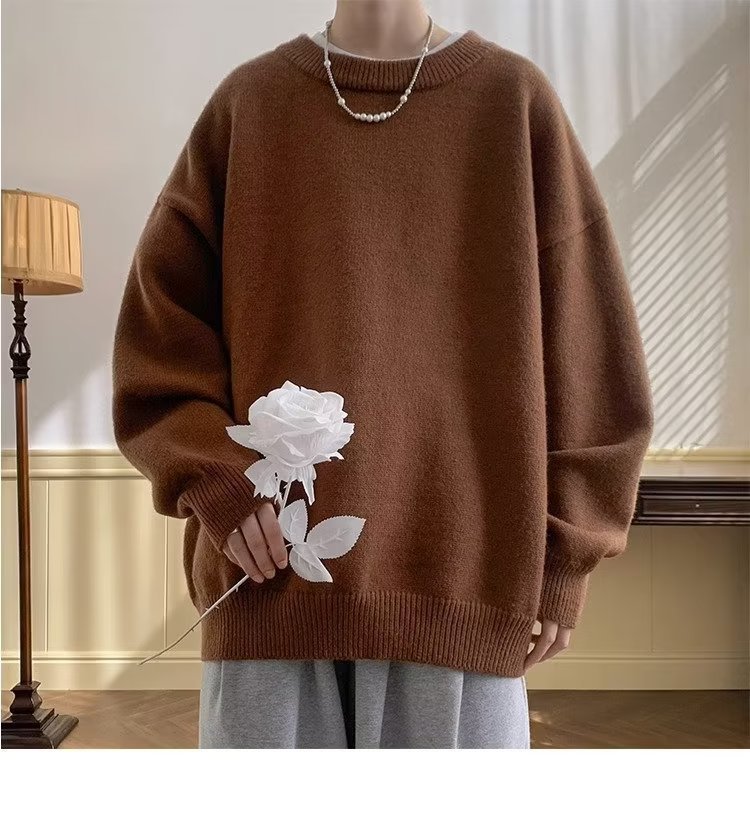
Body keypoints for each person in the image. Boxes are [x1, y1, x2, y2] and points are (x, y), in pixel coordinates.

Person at [111, 0, 654, 749]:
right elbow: (159, 339)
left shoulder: (512, 103)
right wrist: (217, 481)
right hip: (270, 581)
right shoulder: (250, 105)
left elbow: (591, 350)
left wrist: (567, 556)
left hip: (463, 581)